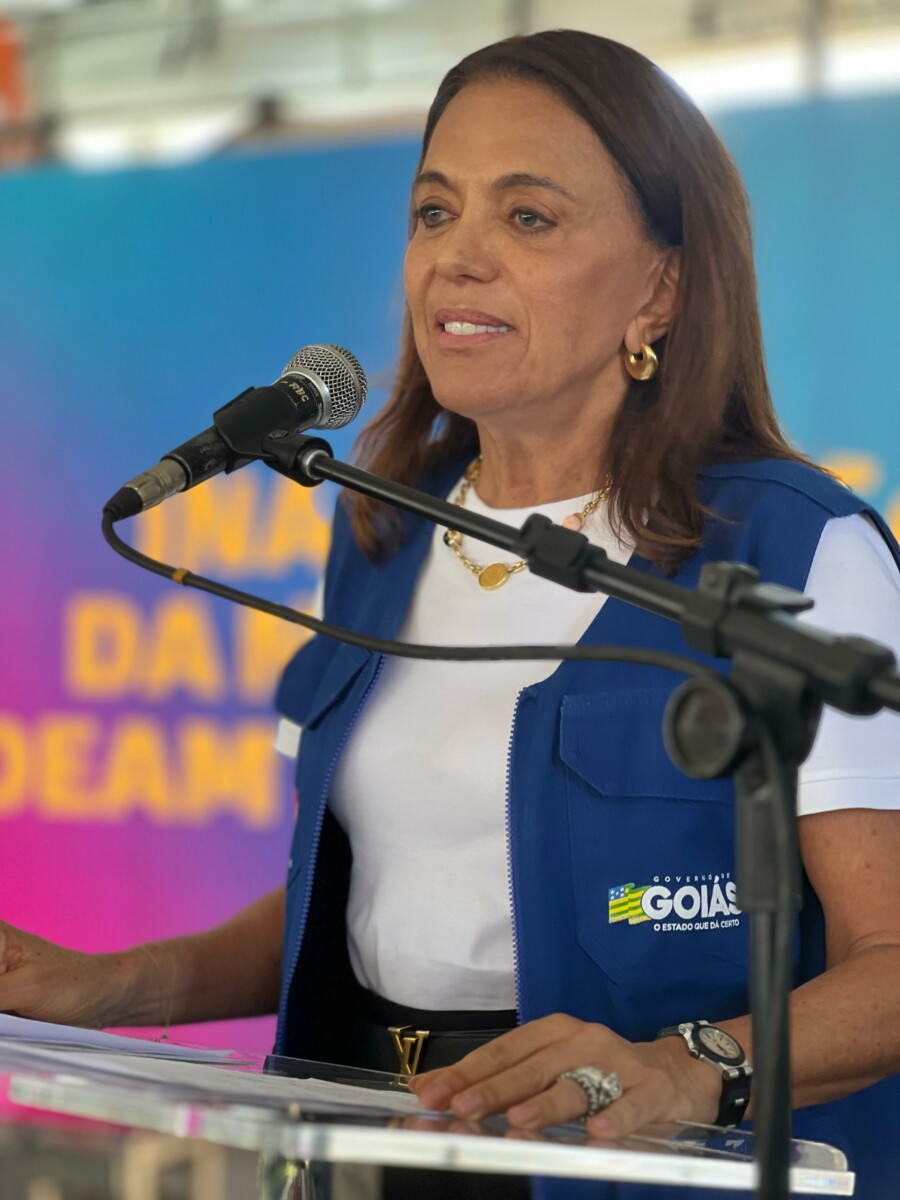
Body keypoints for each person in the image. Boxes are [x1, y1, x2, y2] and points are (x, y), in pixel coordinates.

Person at [1, 28, 899, 1200]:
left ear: (662, 287)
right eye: (435, 212)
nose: (458, 259)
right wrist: (113, 985)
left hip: (634, 1167)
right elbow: (378, 900)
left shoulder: (794, 546)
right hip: (375, 1138)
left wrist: (686, 1069)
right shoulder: (383, 526)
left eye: (528, 217)